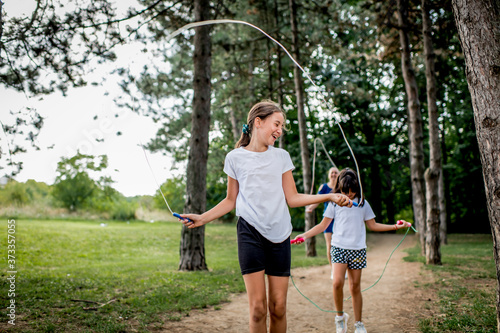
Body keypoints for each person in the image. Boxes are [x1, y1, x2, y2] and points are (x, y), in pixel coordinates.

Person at [177, 100, 353, 333]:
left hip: (280, 235)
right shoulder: (234, 158)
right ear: (258, 122)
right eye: (276, 123)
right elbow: (231, 200)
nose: (280, 130)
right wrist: (202, 218)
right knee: (258, 309)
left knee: (278, 307)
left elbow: (292, 198)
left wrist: (328, 197)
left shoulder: (281, 156)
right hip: (249, 233)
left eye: (282, 126)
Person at [292, 168, 411, 333]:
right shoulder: (334, 203)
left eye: (352, 191)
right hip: (339, 247)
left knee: (355, 286)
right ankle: (340, 318)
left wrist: (395, 226)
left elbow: (373, 225)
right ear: (339, 188)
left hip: (357, 250)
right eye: (345, 191)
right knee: (337, 283)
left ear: (357, 187)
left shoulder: (362, 203)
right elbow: (322, 225)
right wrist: (304, 236)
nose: (349, 194)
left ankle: (359, 324)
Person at [305, 167, 340, 279]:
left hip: (340, 219)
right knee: (329, 245)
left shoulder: (341, 186)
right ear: (329, 175)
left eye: (336, 173)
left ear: (339, 174)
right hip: (328, 220)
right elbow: (317, 199)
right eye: (332, 173)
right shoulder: (324, 187)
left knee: (340, 245)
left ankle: (341, 269)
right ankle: (333, 270)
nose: (334, 174)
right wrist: (310, 208)